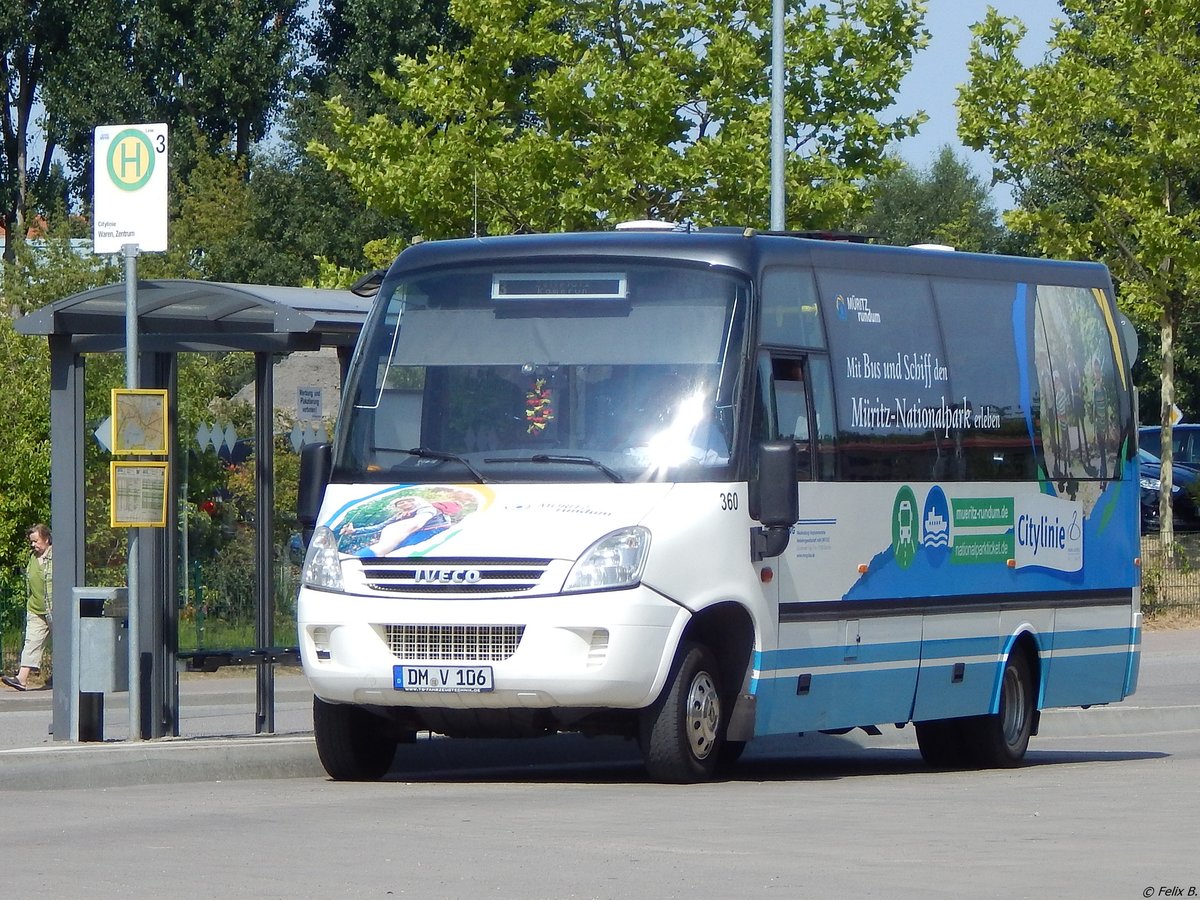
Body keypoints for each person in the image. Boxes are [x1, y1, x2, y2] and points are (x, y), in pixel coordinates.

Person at [3, 524, 53, 691]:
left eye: (36, 541)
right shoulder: (32, 557)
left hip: (55, 609)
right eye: (31, 542)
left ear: (46, 538)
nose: (33, 545)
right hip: (35, 608)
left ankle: (64, 677)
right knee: (32, 642)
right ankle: (21, 679)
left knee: (64, 645)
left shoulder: (56, 556)